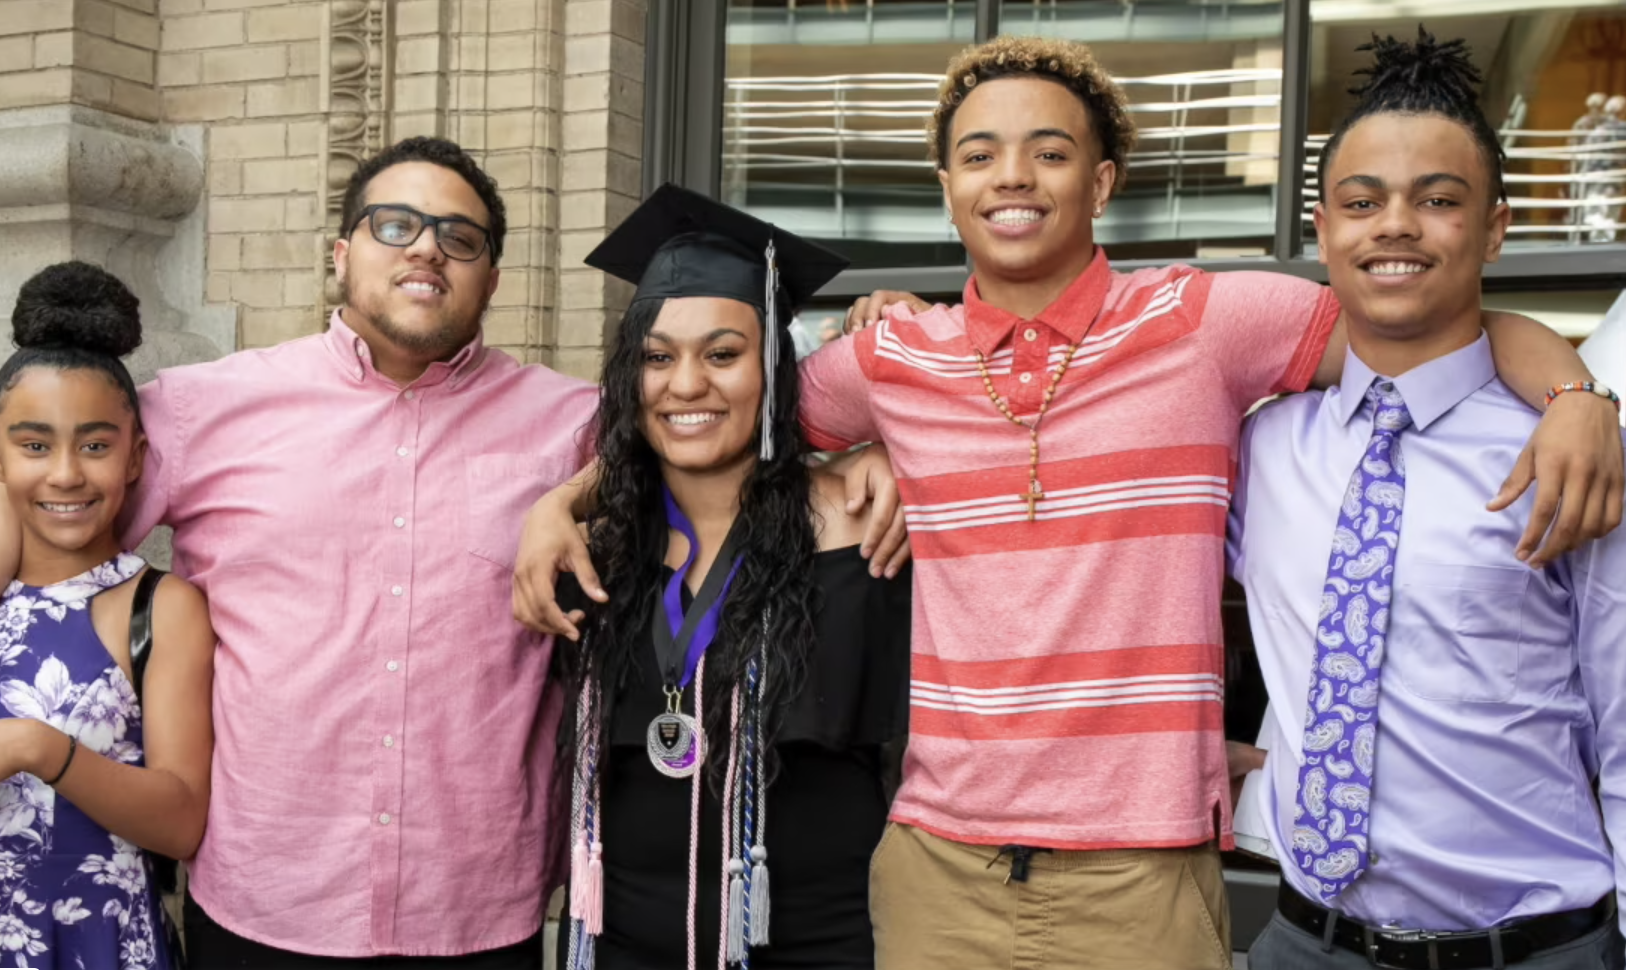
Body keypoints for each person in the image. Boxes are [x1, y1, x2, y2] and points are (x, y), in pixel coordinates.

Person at [514, 35, 1624, 970]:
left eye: (1051, 152)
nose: (1013, 177)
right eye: (978, 154)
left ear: (1100, 183)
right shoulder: (894, 359)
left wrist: (1577, 392)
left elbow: (1420, 323)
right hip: (937, 864)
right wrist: (566, 498)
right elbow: (709, 419)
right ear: (945, 185)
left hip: (1140, 878)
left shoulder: (1208, 322)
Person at [0, 136, 905, 968]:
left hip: (476, 908)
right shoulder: (206, 406)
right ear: (340, 251)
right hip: (267, 897)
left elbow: (725, 419)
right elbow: (22, 502)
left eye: (462, 236)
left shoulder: (570, 421)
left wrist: (876, 434)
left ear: (491, 275)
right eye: (395, 223)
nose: (427, 249)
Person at [1228, 30, 1626, 969]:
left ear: (1494, 227)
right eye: (1362, 202)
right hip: (1302, 942)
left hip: (1533, 950)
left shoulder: (1569, 453)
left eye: (1438, 200)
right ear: (1324, 229)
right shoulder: (1263, 447)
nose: (1395, 225)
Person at [556, 185, 909, 970]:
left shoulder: (864, 530)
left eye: (722, 354)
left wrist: (900, 426)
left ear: (774, 370)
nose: (686, 385)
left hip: (819, 945)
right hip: (620, 942)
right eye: (657, 357)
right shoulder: (594, 554)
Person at [0, 262, 215, 969]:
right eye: (35, 446)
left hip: (95, 943)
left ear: (134, 457)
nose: (65, 473)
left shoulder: (161, 608)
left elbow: (182, 822)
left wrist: (36, 746)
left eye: (95, 444)